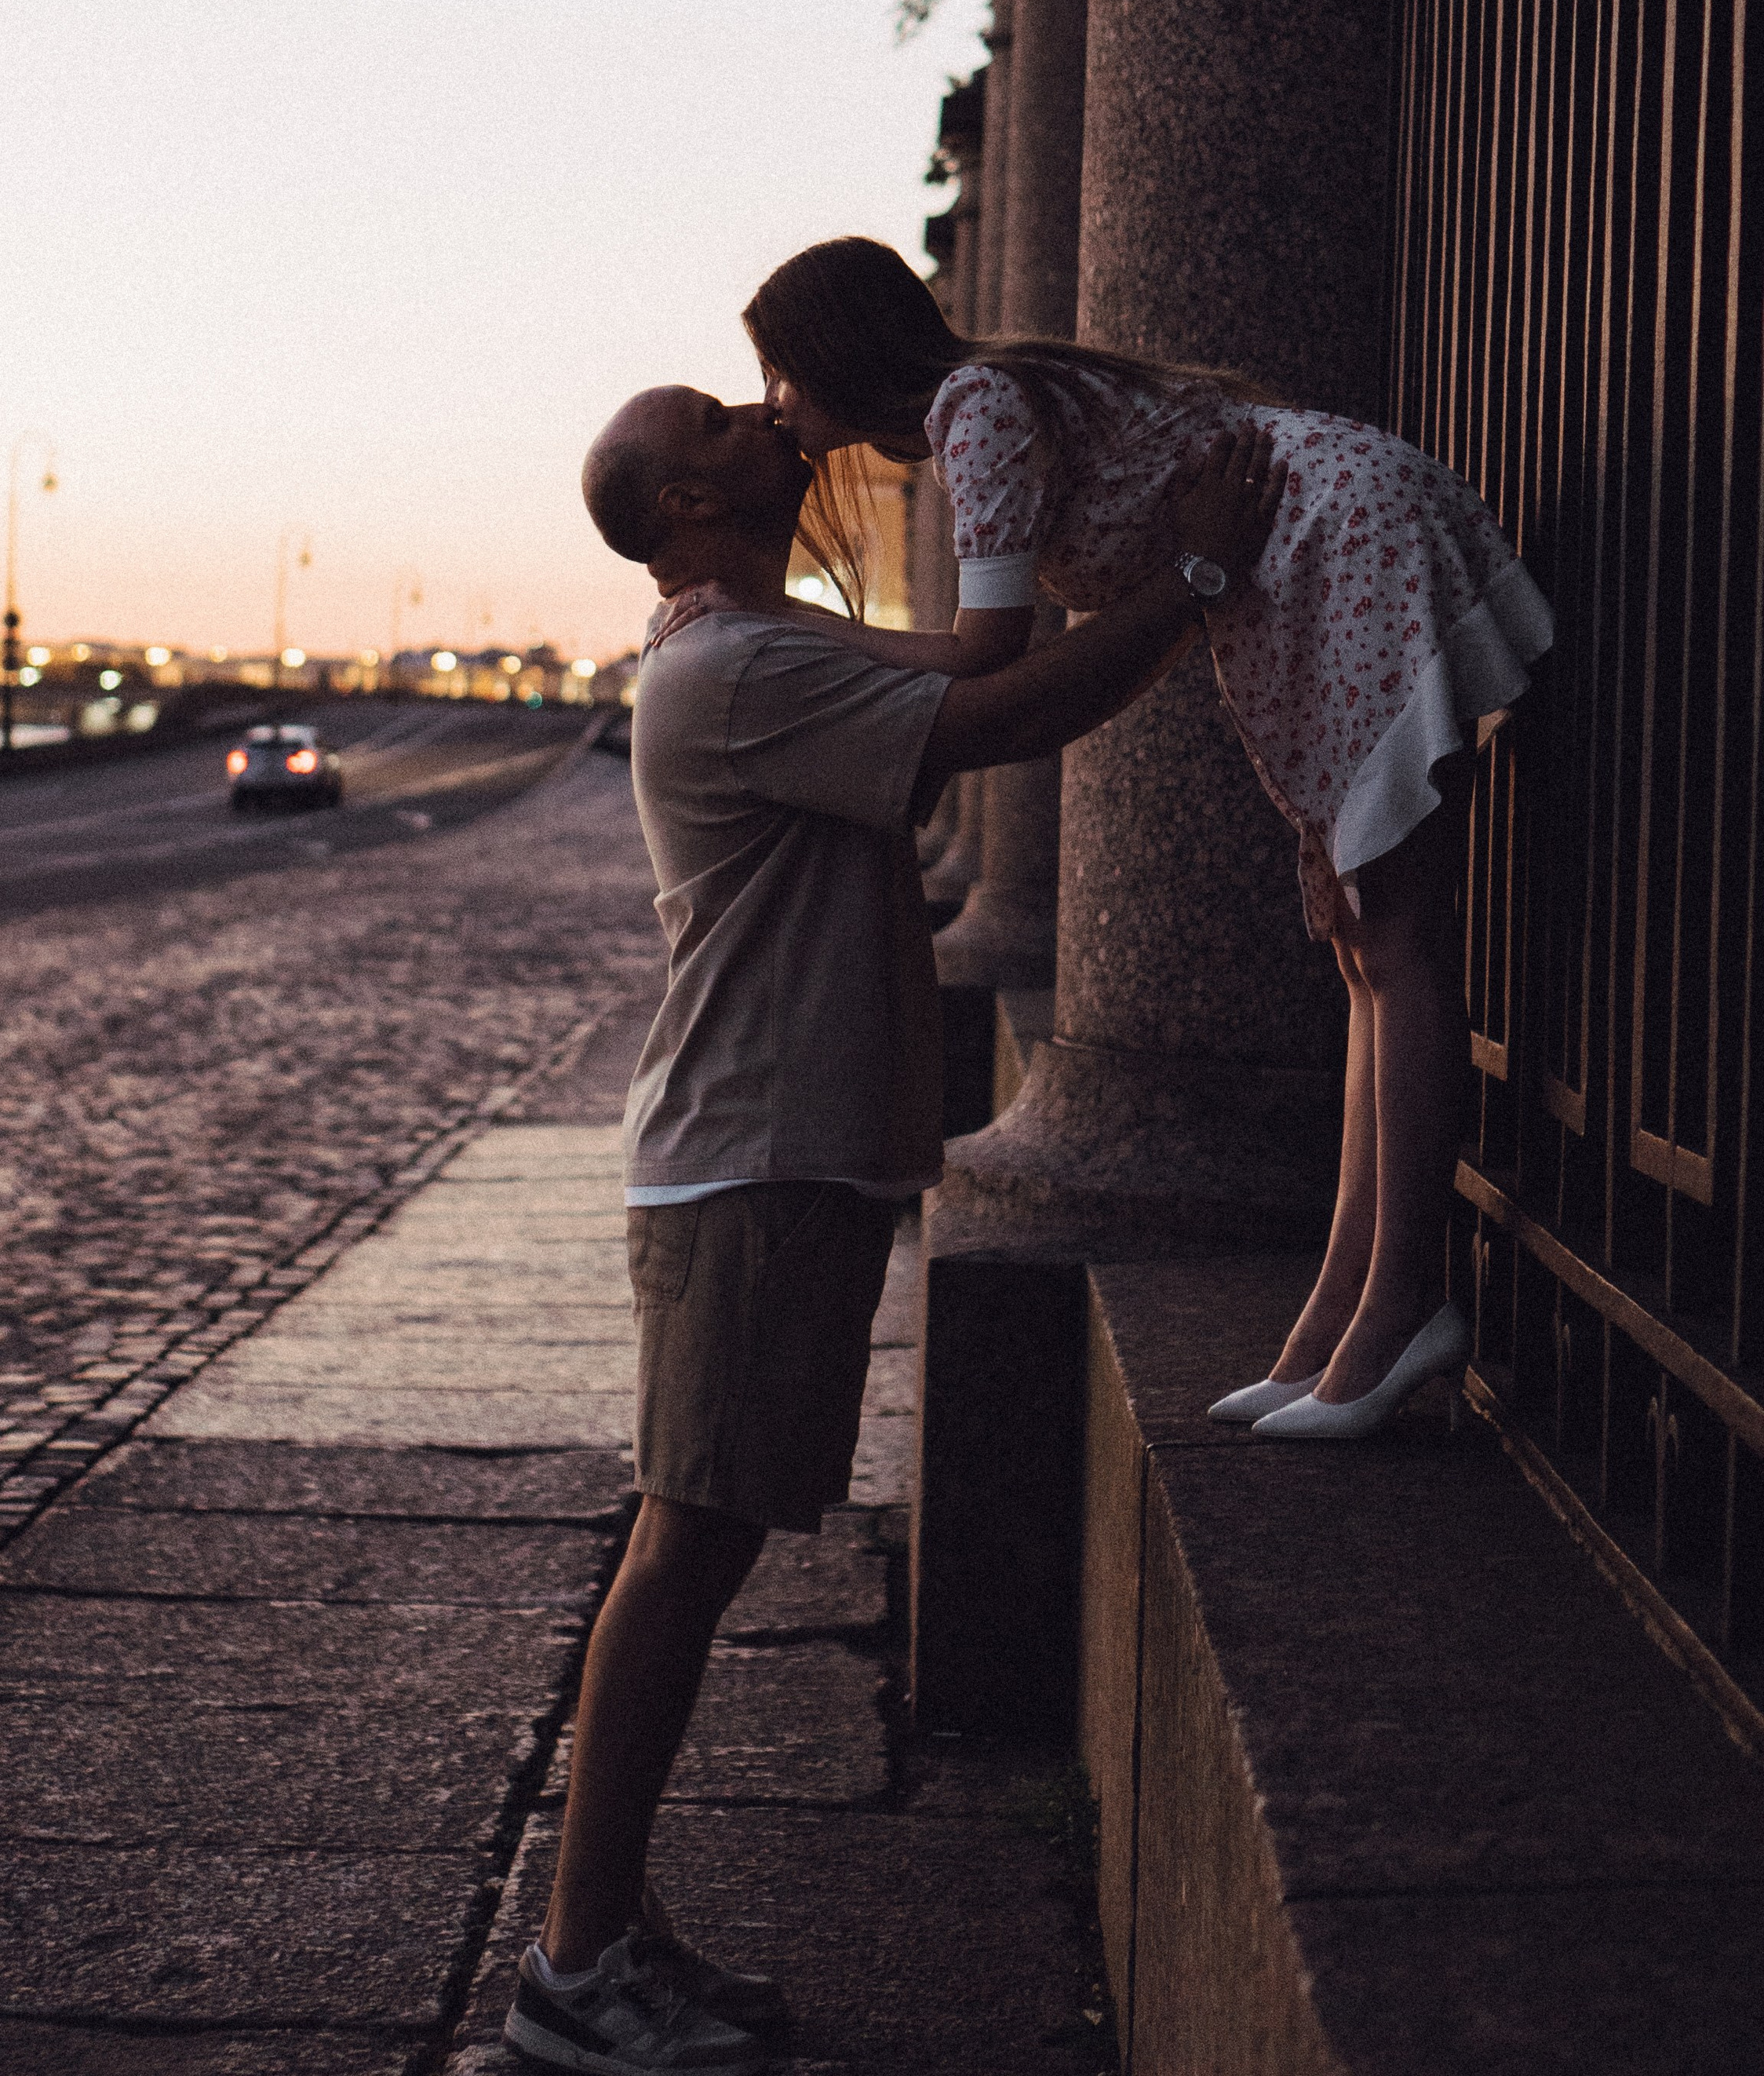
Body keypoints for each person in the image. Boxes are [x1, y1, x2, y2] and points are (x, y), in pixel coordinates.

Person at [501, 383, 1281, 2074]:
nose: (758, 410)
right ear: (681, 504)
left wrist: (1098, 556)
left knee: (688, 1545)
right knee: (683, 1551)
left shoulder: (771, 640)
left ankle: (607, 1931)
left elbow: (981, 664)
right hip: (754, 1161)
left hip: (782, 1155)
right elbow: (1007, 719)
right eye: (713, 416)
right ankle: (571, 1972)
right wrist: (1198, 578)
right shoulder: (735, 672)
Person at [734, 235, 1555, 1442]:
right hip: (1308, 561)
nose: (773, 405)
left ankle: (1401, 1305)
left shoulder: (976, 406)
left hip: (1338, 543)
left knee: (1399, 945)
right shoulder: (983, 407)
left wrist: (791, 640)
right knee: (1365, 950)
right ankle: (1342, 1311)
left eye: (780, 374)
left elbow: (989, 652)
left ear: (835, 352)